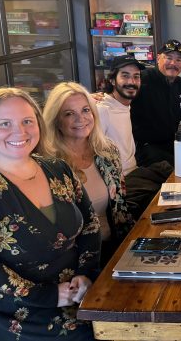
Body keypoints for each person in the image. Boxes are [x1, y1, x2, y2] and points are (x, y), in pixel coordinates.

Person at [0, 87, 100, 340]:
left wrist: (87, 274)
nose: (20, 131)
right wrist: (48, 296)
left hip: (75, 297)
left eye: (27, 121)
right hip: (10, 315)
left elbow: (90, 225)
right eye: (5, 123)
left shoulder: (58, 168)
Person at [43, 82, 135, 263]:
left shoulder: (107, 150)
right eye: (69, 113)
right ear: (56, 121)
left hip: (114, 249)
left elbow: (120, 208)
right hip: (74, 261)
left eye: (85, 110)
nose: (81, 119)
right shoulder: (48, 165)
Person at [95, 55, 174, 219]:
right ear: (112, 80)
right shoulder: (103, 109)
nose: (131, 82)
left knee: (170, 169)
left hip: (136, 172)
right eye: (125, 76)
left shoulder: (125, 105)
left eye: (136, 77)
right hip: (122, 181)